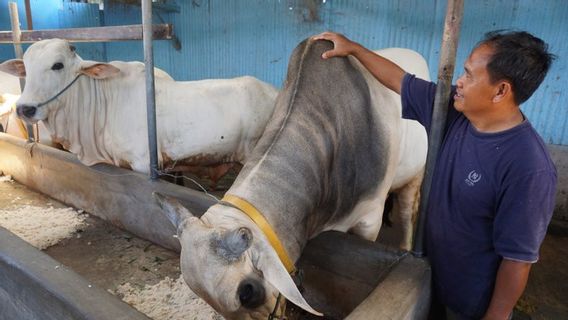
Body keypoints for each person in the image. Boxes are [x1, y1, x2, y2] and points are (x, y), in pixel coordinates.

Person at [312, 30, 557, 320]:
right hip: (430, 277)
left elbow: (518, 261)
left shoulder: (528, 168)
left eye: (469, 75)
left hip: (469, 303)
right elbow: (401, 81)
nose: (460, 82)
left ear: (501, 91)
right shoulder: (452, 111)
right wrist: (354, 49)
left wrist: (497, 316)